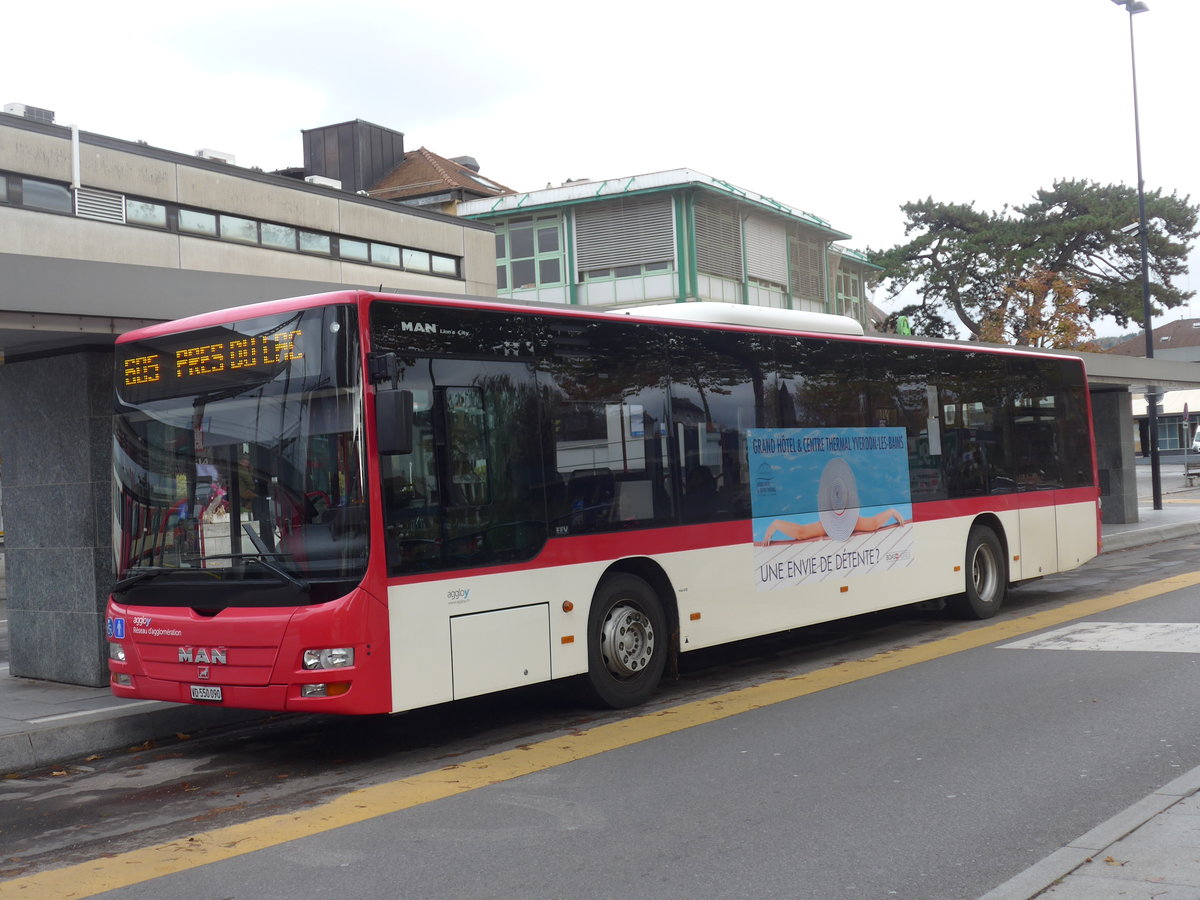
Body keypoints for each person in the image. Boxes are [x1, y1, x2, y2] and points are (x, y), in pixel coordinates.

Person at [759, 508, 905, 545]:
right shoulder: (826, 525)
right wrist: (775, 524)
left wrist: (892, 512)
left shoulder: (853, 522)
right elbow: (800, 533)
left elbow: (873, 524)